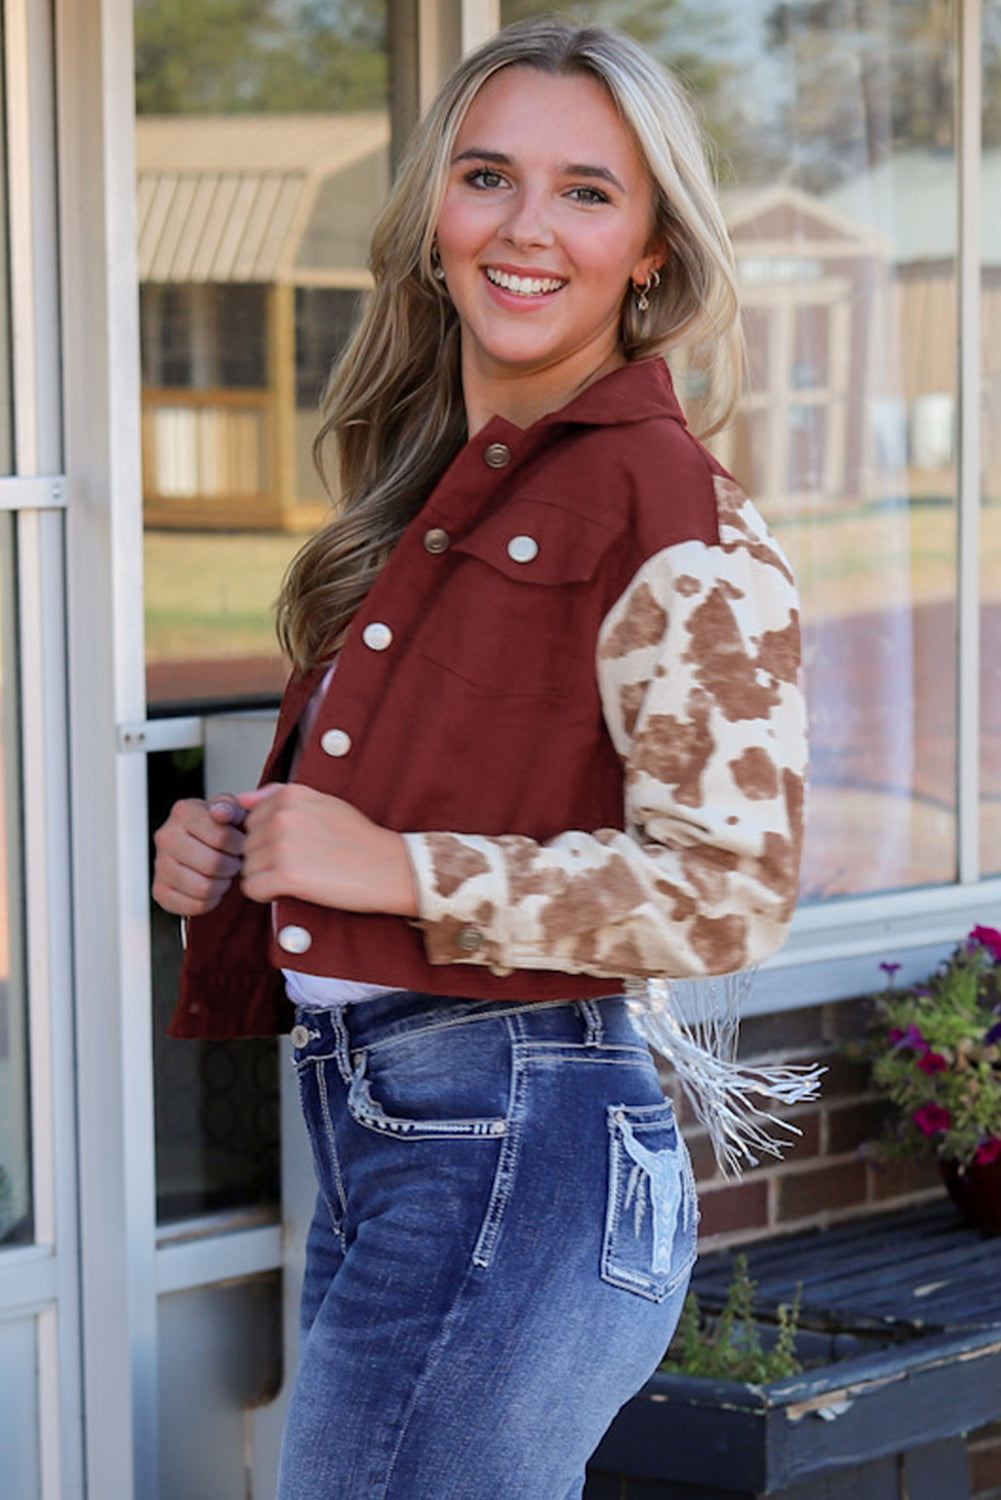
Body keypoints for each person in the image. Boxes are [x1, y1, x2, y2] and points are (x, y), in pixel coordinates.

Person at [152, 19, 808, 1500]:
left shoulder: (669, 513)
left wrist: (391, 868)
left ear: (650, 249)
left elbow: (728, 892)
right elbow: (458, 784)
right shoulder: (425, 496)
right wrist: (241, 848)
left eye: (587, 191)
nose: (525, 228)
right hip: (403, 1142)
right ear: (432, 215)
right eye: (486, 175)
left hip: (519, 1144)